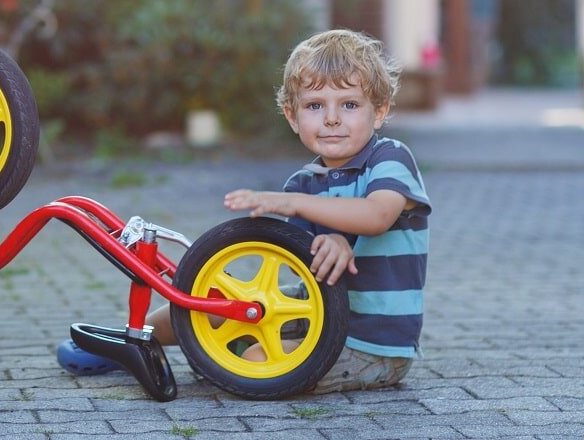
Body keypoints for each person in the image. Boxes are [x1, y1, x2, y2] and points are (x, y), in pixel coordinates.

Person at [56, 28, 431, 394]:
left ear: (379, 112)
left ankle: (228, 349)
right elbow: (303, 250)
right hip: (319, 317)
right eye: (315, 106)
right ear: (292, 116)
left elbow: (378, 215)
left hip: (373, 346)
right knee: (214, 302)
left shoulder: (389, 158)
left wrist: (303, 212)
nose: (332, 118)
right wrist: (327, 238)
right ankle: (132, 339)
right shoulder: (306, 181)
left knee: (255, 361)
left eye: (349, 105)